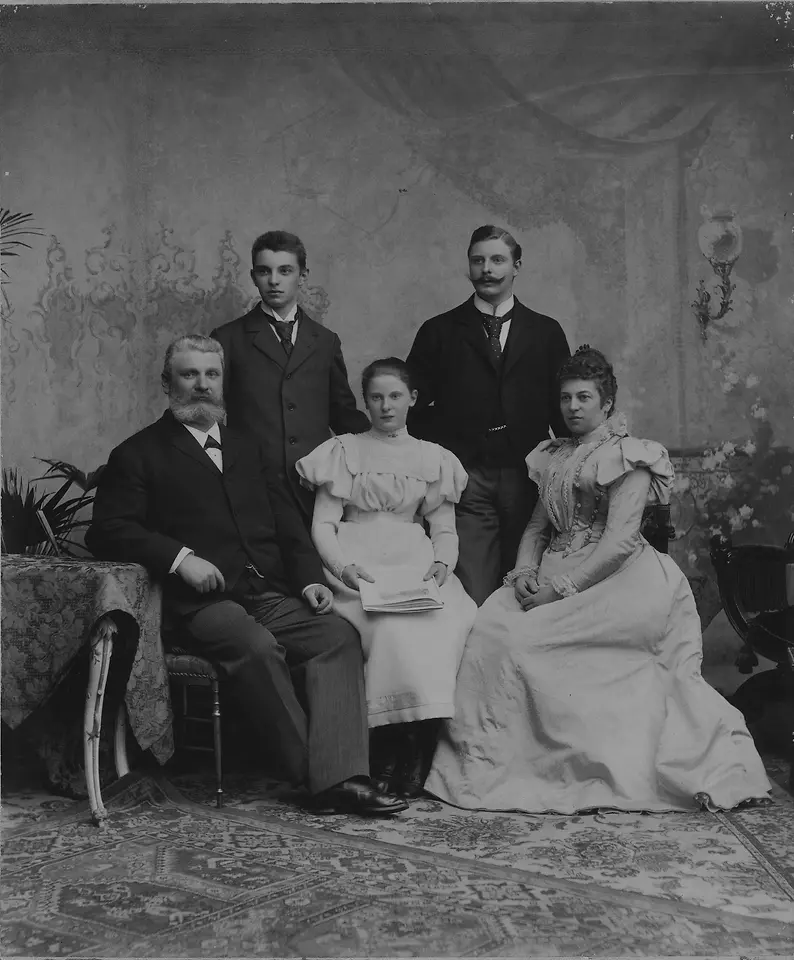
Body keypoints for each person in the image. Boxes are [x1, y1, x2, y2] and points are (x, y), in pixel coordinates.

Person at [426, 346, 771, 813]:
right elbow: (535, 529)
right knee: (488, 631)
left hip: (618, 581)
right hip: (550, 570)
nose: (573, 407)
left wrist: (560, 590)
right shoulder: (551, 456)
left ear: (606, 403)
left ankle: (561, 770)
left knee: (525, 644)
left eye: (584, 397)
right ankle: (492, 768)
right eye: (566, 398)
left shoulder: (629, 455)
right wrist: (526, 573)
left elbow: (619, 544)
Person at [86, 335, 407, 817]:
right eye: (189, 374)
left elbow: (287, 524)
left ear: (222, 382)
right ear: (166, 382)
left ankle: (340, 774)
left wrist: (308, 581)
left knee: (337, 636)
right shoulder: (138, 453)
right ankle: (327, 780)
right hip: (197, 604)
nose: (201, 385)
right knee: (255, 646)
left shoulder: (246, 447)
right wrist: (179, 558)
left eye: (211, 375)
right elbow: (107, 530)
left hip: (267, 591)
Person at [295, 358, 477, 798]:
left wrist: (442, 566)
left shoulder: (433, 457)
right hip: (360, 566)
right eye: (376, 397)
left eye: (395, 396)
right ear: (365, 402)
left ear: (412, 399)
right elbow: (323, 525)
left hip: (415, 564)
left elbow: (445, 530)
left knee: (445, 623)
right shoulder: (343, 450)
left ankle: (419, 744)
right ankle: (386, 747)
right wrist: (343, 569)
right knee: (390, 630)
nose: (385, 406)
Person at [406, 225, 571, 606]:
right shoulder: (439, 331)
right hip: (468, 478)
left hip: (528, 475)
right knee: (473, 587)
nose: (487, 269)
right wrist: (452, 443)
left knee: (524, 583)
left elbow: (562, 408)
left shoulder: (546, 332)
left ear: (517, 266)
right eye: (478, 260)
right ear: (468, 267)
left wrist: (565, 463)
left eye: (498, 260)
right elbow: (411, 407)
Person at [211, 231, 369, 518]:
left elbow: (343, 413)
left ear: (303, 276)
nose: (274, 280)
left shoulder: (324, 340)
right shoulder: (228, 338)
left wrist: (384, 444)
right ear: (253, 275)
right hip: (254, 484)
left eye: (285, 271)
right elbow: (209, 413)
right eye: (264, 271)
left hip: (314, 485)